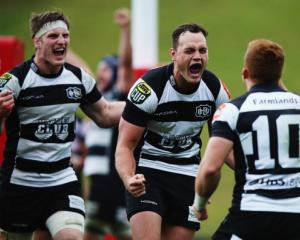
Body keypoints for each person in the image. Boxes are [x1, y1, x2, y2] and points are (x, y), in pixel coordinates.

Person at [0, 11, 124, 240]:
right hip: (20, 184)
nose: (61, 41)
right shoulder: (14, 81)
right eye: (53, 36)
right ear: (37, 42)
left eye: (65, 36)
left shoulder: (78, 79)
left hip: (61, 180)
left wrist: (143, 107)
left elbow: (104, 113)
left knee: (72, 237)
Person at [115, 23, 230, 240]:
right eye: (189, 51)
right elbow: (125, 145)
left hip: (188, 178)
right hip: (148, 175)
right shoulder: (149, 88)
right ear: (174, 54)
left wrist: (254, 173)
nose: (197, 57)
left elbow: (227, 146)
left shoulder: (215, 90)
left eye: (202, 51)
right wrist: (129, 178)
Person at [193, 39, 300, 240]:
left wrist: (199, 205)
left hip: (252, 213)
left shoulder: (232, 110)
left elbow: (209, 169)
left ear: (245, 73)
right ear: (280, 73)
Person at [82, 8, 133, 240]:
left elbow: (125, 64)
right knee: (91, 231)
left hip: (114, 181)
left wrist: (125, 30)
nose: (100, 74)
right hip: (97, 184)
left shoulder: (118, 96)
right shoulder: (93, 103)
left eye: (105, 70)